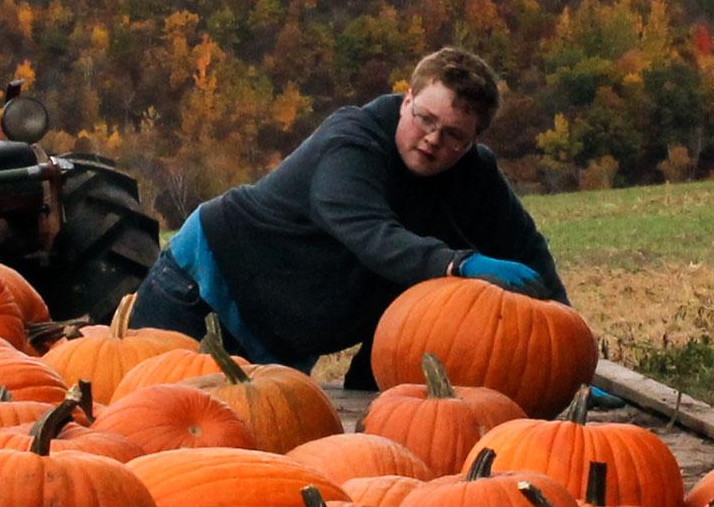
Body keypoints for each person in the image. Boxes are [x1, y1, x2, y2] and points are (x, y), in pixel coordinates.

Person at [128, 47, 569, 389]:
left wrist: (567, 358)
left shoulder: (476, 176)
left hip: (284, 338)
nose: (433, 139)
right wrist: (458, 263)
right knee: (154, 425)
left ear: (473, 141)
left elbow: (526, 250)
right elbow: (368, 232)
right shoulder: (351, 143)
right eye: (425, 119)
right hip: (203, 289)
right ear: (407, 100)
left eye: (453, 134)